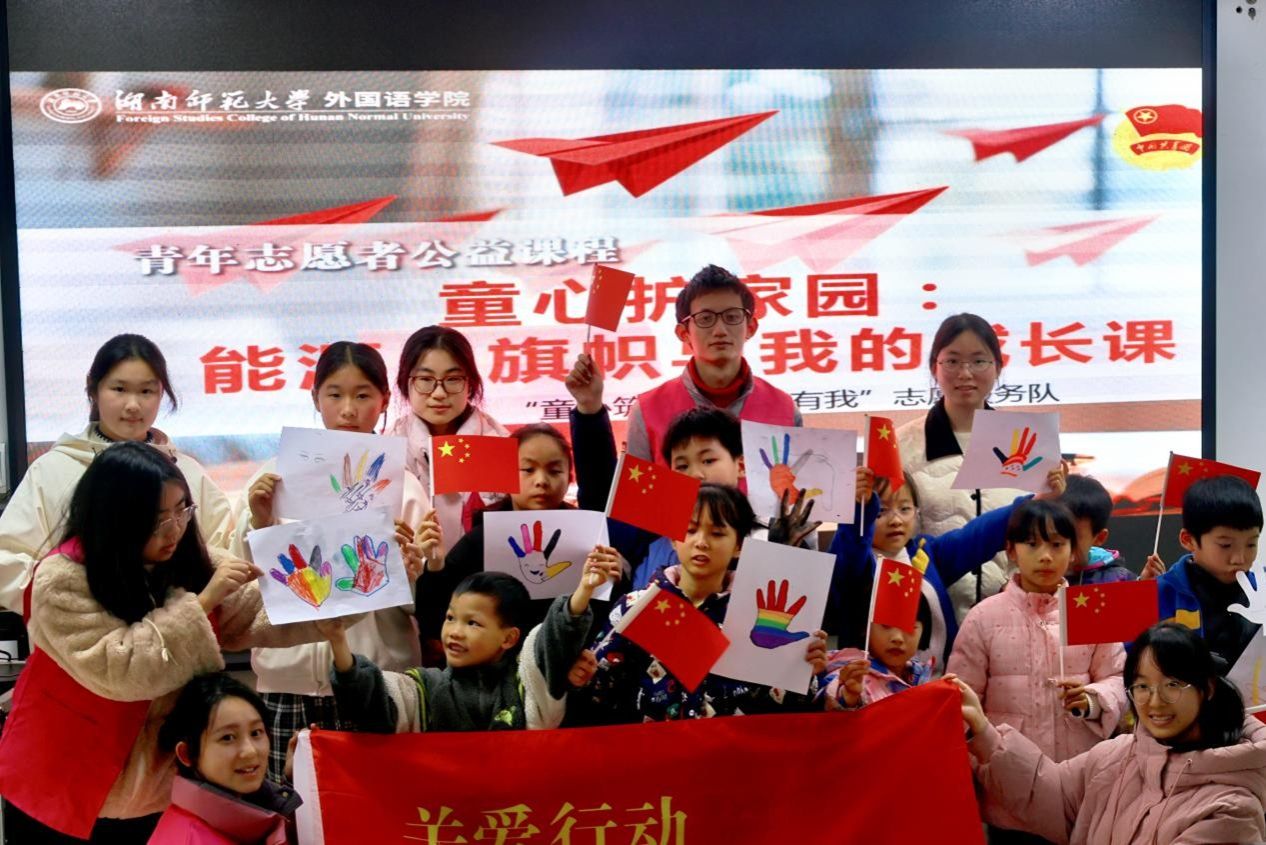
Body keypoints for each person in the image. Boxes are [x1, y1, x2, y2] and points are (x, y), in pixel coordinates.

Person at [0, 442, 327, 843]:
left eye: (182, 511)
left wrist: (362, 587)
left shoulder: (191, 562)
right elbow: (124, 670)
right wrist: (203, 602)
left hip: (158, 789)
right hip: (65, 780)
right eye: (155, 520)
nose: (174, 530)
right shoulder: (62, 578)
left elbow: (267, 612)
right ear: (114, 517)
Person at [228, 342, 430, 781]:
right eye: (335, 394)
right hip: (288, 679)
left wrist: (412, 569)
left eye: (362, 395)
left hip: (375, 677)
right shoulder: (274, 478)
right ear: (316, 398)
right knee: (287, 803)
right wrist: (257, 521)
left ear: (383, 401)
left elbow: (419, 602)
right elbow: (240, 581)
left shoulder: (404, 486)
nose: (348, 409)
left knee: (375, 803)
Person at [953, 622, 1266, 845]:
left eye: (1172, 685)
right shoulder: (1116, 756)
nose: (1155, 702)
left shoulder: (1230, 809)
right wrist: (984, 733)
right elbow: (1053, 795)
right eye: (1142, 686)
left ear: (1207, 689)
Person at [0, 333, 233, 613]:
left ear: (162, 393)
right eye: (119, 389)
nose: (133, 405)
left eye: (146, 391)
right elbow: (7, 560)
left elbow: (223, 554)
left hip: (180, 632)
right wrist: (80, 601)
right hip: (82, 633)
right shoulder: (53, 470)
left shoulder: (187, 472)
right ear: (93, 389)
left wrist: (258, 520)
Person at [579, 484, 828, 723]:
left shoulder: (758, 614)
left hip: (732, 748)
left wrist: (804, 671)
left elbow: (782, 709)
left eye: (717, 533)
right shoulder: (637, 606)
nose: (701, 542)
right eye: (690, 530)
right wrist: (580, 673)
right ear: (673, 539)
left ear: (739, 546)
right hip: (653, 749)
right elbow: (599, 693)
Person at [325, 562, 616, 732]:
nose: (455, 632)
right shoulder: (425, 688)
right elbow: (371, 705)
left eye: (473, 623)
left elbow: (553, 642)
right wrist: (338, 641)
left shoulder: (527, 686)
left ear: (509, 638)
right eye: (450, 618)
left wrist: (583, 591)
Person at [825, 466, 1058, 671]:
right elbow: (850, 546)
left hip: (935, 684)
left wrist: (1033, 503)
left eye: (905, 508)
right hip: (872, 690)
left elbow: (977, 536)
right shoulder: (856, 564)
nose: (896, 520)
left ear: (917, 512)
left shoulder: (927, 553)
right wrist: (859, 509)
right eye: (880, 511)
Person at [946, 499, 1126, 759]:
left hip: (1082, 764)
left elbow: (1118, 677)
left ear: (1072, 551)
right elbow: (963, 698)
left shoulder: (1089, 611)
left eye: (1057, 544)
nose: (1045, 556)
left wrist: (1093, 699)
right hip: (1005, 763)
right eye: (1032, 544)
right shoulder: (982, 618)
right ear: (1011, 550)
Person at [414, 424, 609, 650]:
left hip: (566, 663)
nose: (541, 481)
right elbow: (434, 619)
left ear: (569, 477)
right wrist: (435, 566)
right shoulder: (481, 539)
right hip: (490, 665)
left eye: (555, 471)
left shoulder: (587, 537)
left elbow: (605, 619)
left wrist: (613, 578)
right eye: (528, 469)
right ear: (506, 474)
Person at [896, 313, 1023, 621]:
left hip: (1012, 618)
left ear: (998, 367)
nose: (965, 373)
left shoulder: (1024, 441)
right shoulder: (901, 445)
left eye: (979, 361)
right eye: (952, 361)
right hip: (929, 620)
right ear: (934, 367)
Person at [623, 265, 799, 464]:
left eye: (732, 317)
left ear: (750, 327)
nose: (720, 330)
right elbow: (637, 485)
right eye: (705, 319)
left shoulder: (784, 409)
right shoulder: (647, 411)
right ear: (684, 333)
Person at [389, 325, 509, 556]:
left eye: (453, 379)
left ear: (471, 383)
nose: (439, 393)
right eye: (425, 379)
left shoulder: (499, 444)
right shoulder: (389, 448)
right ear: (406, 382)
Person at [150, 673, 301, 844]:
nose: (250, 751)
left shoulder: (245, 809)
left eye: (256, 732)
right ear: (187, 754)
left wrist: (294, 781)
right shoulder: (189, 838)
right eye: (227, 737)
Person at [1156, 474, 1263, 669]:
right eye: (1225, 545)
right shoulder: (1161, 593)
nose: (1239, 558)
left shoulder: (1263, 586)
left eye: (1251, 544)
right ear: (1188, 540)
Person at [820, 592, 936, 710]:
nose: (897, 638)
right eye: (886, 625)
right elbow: (828, 700)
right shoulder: (852, 673)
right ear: (865, 626)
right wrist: (848, 697)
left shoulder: (923, 677)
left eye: (910, 627)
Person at [1060, 474, 1142, 585]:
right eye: (1054, 536)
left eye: (1073, 537)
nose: (1062, 544)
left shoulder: (1119, 580)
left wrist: (1144, 584)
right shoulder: (1037, 577)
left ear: (1099, 538)